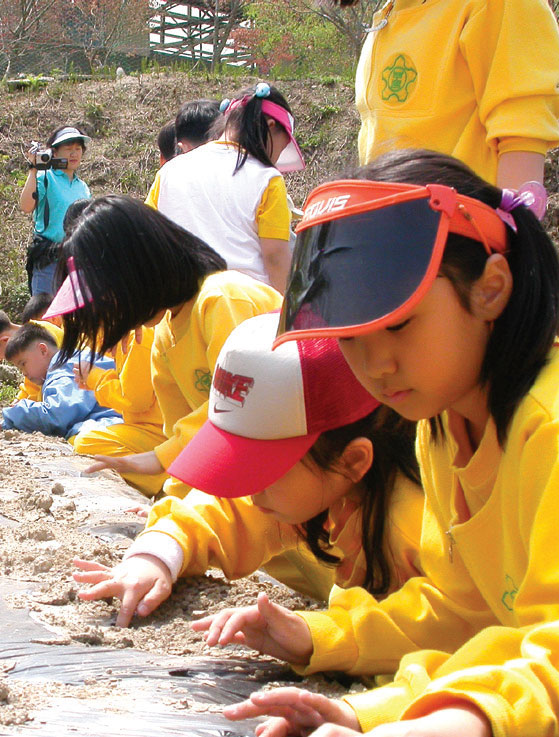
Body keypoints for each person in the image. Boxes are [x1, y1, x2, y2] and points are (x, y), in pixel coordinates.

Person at [214, 150, 559, 737]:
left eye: (400, 323)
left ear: (491, 290)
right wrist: (333, 651)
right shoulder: (444, 429)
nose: (376, 365)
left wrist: (449, 723)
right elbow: (461, 614)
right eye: (351, 338)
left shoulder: (558, 428)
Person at [73, 312, 423, 623]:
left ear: (353, 461)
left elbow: (441, 637)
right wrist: (157, 556)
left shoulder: (417, 536)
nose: (252, 494)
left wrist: (322, 635)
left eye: (264, 474)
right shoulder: (323, 483)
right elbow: (224, 510)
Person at [49, 196, 281, 500]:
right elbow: (181, 435)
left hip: (283, 479)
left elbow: (241, 413)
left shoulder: (222, 300)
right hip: (250, 478)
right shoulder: (165, 332)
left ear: (136, 271)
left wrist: (160, 466)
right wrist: (172, 501)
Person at [342, 0, 559, 189]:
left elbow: (522, 135)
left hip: (462, 233)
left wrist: (513, 231)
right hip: (388, 231)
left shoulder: (500, 5)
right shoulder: (391, 12)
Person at [145, 83, 301, 293]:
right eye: (282, 148)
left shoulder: (169, 172)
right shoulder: (267, 179)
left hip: (181, 309)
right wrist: (292, 315)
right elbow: (276, 258)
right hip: (246, 311)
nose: (277, 159)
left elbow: (147, 240)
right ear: (271, 125)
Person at [70, 325, 169, 497]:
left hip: (164, 433)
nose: (97, 342)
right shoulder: (127, 338)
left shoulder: (138, 337)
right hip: (154, 429)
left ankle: (166, 483)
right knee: (77, 440)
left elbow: (135, 401)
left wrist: (96, 378)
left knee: (86, 442)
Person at [1, 324, 121, 440]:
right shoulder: (71, 359)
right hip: (122, 417)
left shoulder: (63, 368)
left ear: (43, 350)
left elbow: (58, 415)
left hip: (118, 422)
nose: (24, 373)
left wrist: (14, 413)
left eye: (23, 364)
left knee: (82, 438)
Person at [18, 125, 92, 296]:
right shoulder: (45, 177)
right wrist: (33, 169)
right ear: (55, 153)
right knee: (44, 315)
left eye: (78, 149)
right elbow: (26, 206)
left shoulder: (83, 187)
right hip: (49, 261)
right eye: (68, 149)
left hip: (75, 262)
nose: (74, 154)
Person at [0, 309, 65, 403]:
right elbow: (31, 386)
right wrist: (20, 400)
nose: (1, 359)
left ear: (5, 340)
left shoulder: (38, 337)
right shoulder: (28, 340)